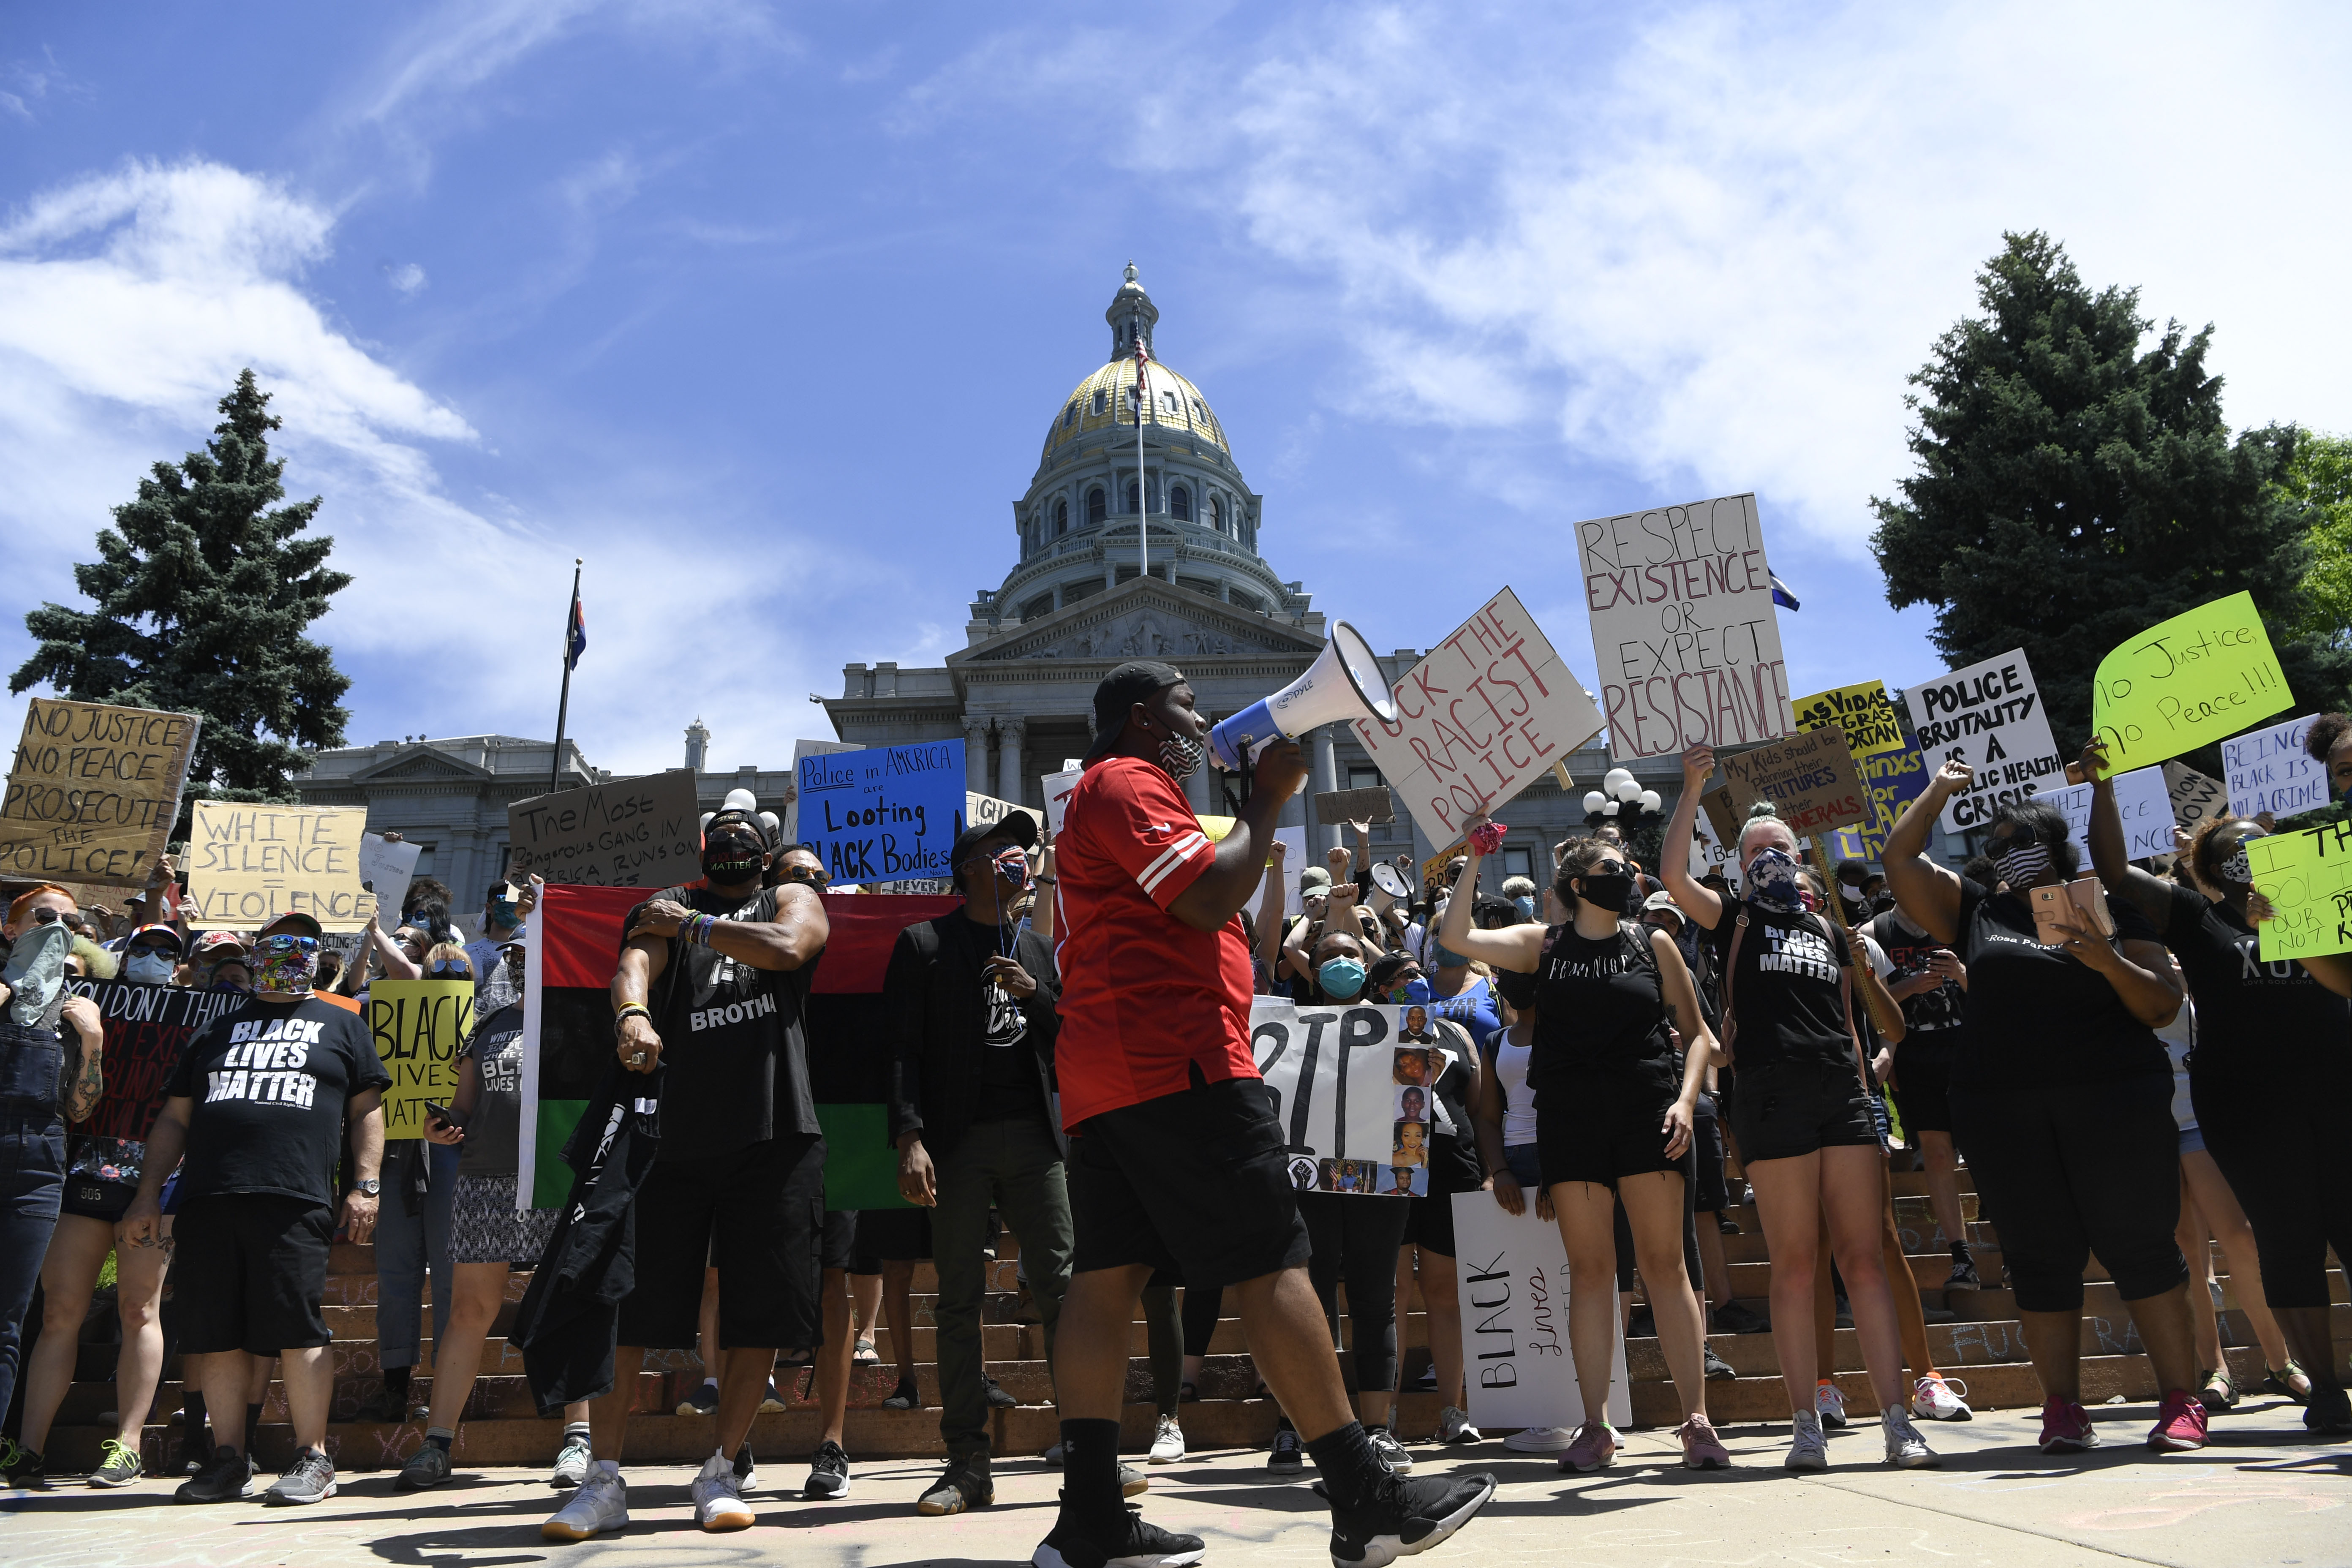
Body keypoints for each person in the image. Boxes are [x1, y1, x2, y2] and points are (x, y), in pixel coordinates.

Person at [1038, 660, 1495, 1568]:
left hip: (1113, 1072)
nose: (1198, 715)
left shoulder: (1100, 794)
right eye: (1183, 702)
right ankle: (1364, 1497)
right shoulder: (1129, 781)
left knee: (1106, 1276)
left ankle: (1090, 1513)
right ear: (1139, 715)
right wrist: (1269, 798)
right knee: (1271, 1256)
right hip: (1179, 1060)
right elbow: (1209, 894)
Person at [1881, 757, 2204, 1454]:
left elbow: (2160, 1005)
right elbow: (1898, 856)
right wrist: (1938, 789)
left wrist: (2106, 961)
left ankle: (2181, 1398)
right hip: (2004, 1113)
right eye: (1994, 846)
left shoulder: (2111, 908)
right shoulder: (1975, 909)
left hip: (2113, 1102)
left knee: (2140, 1247)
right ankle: (2060, 1407)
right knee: (2037, 1257)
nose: (2002, 855)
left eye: (2014, 841)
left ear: (2055, 849)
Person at [541, 804, 829, 1541]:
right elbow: (635, 962)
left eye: (747, 833)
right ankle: (603, 1477)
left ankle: (721, 1468)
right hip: (668, 1136)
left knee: (758, 1306)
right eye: (722, 831)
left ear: (765, 853)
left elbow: (792, 945)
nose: (735, 839)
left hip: (773, 1134)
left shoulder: (787, 896)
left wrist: (696, 927)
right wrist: (631, 1014)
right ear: (705, 849)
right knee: (625, 1302)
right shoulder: (665, 904)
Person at [1663, 749, 1938, 1470]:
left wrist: (1868, 1078)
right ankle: (1804, 1422)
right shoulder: (1733, 917)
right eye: (1755, 850)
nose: (1768, 858)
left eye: (1778, 849)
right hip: (1771, 1093)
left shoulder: (1827, 932)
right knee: (1793, 1261)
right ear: (1739, 862)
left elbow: (1849, 1019)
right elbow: (1670, 878)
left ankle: (1896, 1419)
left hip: (1840, 1093)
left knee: (1863, 1259)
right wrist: (1693, 788)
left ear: (1801, 858)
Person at [1441, 826, 1735, 1472]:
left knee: (1665, 1267)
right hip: (1571, 1124)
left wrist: (1687, 1101)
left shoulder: (1653, 941)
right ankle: (1595, 1424)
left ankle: (1697, 1421)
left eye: (1626, 865)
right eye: (1611, 867)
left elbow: (1698, 1036)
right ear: (1578, 885)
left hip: (1649, 1116)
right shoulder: (1542, 945)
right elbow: (1455, 938)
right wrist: (1474, 859)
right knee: (1594, 1273)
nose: (1626, 873)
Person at [2082, 744, 2352, 1433]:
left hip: (2336, 1087)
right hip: (2247, 1106)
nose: (2246, 855)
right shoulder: (2194, 920)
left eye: (2257, 844)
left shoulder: (2320, 901)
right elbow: (2112, 871)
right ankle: (2323, 1387)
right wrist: (2103, 788)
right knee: (2288, 1241)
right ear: (2209, 870)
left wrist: (2289, 914)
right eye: (2231, 850)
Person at [117, 925, 388, 1505]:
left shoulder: (342, 1023)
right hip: (209, 1197)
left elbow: (368, 1109)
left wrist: (366, 1184)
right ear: (255, 956)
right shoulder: (216, 1027)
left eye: (301, 947)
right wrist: (147, 1193)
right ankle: (227, 1460)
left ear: (316, 962)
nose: (287, 957)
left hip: (294, 1196)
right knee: (214, 1334)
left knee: (296, 1325)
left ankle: (314, 1457)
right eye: (276, 945)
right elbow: (173, 1118)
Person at [886, 812, 1073, 1515]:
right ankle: (966, 1463)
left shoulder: (1037, 945)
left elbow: (1065, 1035)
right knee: (958, 1299)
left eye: (1020, 850)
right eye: (1000, 851)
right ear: (967, 867)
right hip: (956, 1143)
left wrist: (1036, 993)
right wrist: (909, 1135)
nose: (1016, 858)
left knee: (1062, 1290)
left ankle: (1086, 1454)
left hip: (1033, 1139)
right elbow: (901, 1047)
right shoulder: (924, 943)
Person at [402, 944, 595, 1489]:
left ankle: (577, 1440)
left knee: (569, 1305)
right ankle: (437, 1444)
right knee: (469, 1310)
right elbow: (464, 1107)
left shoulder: (585, 1016)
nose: (521, 961)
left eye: (531, 949)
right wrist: (440, 1127)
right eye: (514, 954)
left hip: (562, 1180)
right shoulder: (489, 1024)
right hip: (486, 1179)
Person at [14, 923, 189, 1489]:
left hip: (156, 1183)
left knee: (140, 1310)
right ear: (123, 955)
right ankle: (30, 1448)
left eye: (168, 951)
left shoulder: (199, 1017)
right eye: (142, 948)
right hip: (83, 1170)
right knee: (60, 1313)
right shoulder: (85, 1009)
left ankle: (130, 1446)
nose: (154, 958)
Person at [1271, 926, 1418, 1476]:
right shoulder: (1285, 1023)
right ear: (1311, 966)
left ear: (1367, 963)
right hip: (1307, 1180)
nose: (1340, 963)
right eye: (1327, 956)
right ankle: (1295, 1428)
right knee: (1307, 1302)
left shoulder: (1404, 1023)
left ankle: (1377, 1431)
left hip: (1380, 1178)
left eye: (1351, 955)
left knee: (1374, 1296)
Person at [0, 887, 109, 1486]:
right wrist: (15, 983)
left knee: (10, 1320)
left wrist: (91, 1042)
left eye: (73, 922)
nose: (62, 928)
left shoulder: (76, 1011)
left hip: (38, 1166)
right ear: (11, 929)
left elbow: (81, 1108)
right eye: (46, 918)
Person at [1369, 953, 1484, 1447]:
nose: (1412, 981)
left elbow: (1477, 1104)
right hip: (1390, 1171)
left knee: (1444, 1290)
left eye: (1416, 973)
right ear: (1380, 991)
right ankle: (1385, 1416)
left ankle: (1452, 1411)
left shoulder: (1455, 1034)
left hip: (1452, 1170)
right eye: (1398, 978)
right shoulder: (1368, 1032)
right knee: (1392, 1292)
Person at [1861, 893, 1976, 1289]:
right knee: (1937, 1154)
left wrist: (1961, 974)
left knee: (1985, 1146)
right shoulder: (1876, 932)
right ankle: (1961, 1254)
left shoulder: (1960, 923)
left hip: (1969, 1049)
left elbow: (1997, 992)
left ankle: (2015, 1247)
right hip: (1916, 1057)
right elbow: (1868, 1006)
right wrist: (1909, 986)